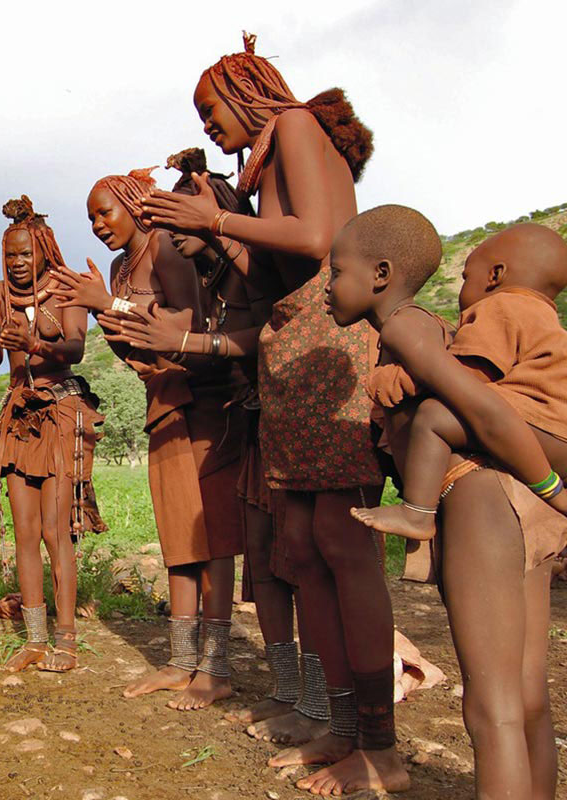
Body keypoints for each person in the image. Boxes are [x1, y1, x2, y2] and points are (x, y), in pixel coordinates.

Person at [138, 34, 402, 794]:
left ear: (246, 89)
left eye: (209, 108)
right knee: (302, 546)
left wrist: (217, 224)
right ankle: (339, 725)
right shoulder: (267, 161)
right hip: (291, 350)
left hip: (328, 347)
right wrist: (214, 243)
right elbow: (279, 268)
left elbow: (318, 240)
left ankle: (380, 744)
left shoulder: (291, 125)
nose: (207, 123)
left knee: (342, 547)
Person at [325, 207, 567, 799]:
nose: (328, 285)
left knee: (493, 708)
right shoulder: (440, 332)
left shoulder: (408, 329)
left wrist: (550, 485)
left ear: (379, 274)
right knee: (527, 696)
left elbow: (479, 409)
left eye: (335, 272)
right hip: (521, 505)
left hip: (480, 495)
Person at [52, 163, 245, 709]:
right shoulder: (117, 268)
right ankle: (182, 660)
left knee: (214, 538)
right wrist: (108, 306)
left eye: (104, 211)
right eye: (89, 217)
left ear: (135, 202)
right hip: (162, 397)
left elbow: (191, 320)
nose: (97, 224)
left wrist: (109, 306)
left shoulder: (164, 244)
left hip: (203, 394)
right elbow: (129, 346)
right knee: (180, 536)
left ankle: (218, 666)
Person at [348, 221, 567, 537]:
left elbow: (466, 376)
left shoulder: (500, 306)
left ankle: (417, 513)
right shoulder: (543, 316)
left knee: (433, 417)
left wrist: (398, 379)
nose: (465, 285)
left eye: (466, 276)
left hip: (539, 424)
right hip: (556, 433)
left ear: (495, 276)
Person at [0, 196, 104, 673]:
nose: (17, 263)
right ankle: (34, 640)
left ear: (45, 248)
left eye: (25, 254)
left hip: (59, 410)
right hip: (17, 416)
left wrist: (33, 342)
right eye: (10, 255)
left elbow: (75, 349)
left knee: (54, 531)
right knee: (25, 532)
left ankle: (66, 641)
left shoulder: (67, 289)